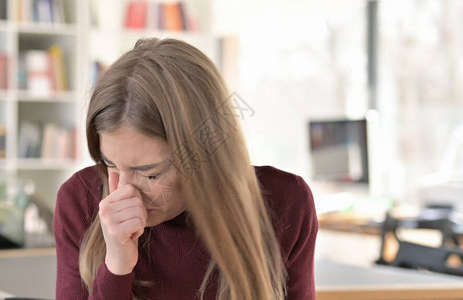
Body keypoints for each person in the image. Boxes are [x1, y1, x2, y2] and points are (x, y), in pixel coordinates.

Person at [53, 38, 318, 300]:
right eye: (110, 164)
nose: (123, 192)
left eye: (149, 173)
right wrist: (116, 268)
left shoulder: (287, 204)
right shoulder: (80, 202)